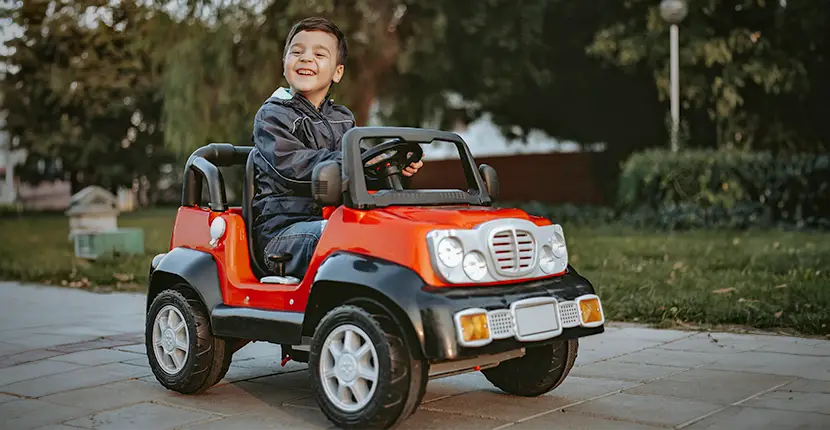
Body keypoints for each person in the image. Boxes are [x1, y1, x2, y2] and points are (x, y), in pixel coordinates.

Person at [250, 17, 423, 279]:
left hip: (336, 219)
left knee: (399, 230)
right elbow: (294, 167)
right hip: (283, 232)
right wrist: (354, 161)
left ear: (337, 72)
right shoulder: (272, 116)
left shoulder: (343, 118)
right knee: (351, 237)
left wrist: (390, 169)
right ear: (284, 64)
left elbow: (356, 172)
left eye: (319, 54)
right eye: (296, 52)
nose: (306, 59)